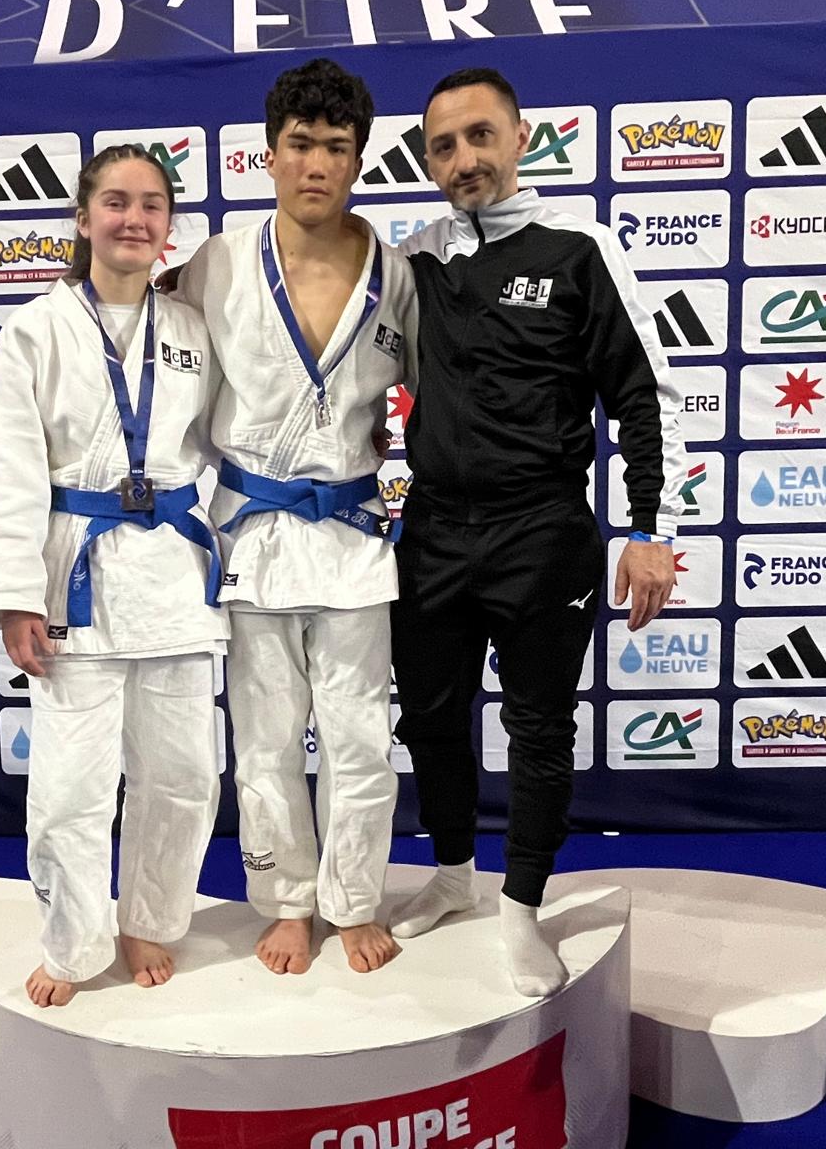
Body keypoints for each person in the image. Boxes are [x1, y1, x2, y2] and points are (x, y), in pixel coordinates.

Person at [388, 67, 685, 996]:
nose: (464, 159)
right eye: (443, 146)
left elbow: (643, 396)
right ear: (428, 161)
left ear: (521, 138)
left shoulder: (579, 246)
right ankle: (452, 875)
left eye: (481, 136)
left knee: (539, 728)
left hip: (542, 531)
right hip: (433, 529)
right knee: (430, 717)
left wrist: (650, 529)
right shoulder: (412, 261)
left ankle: (522, 906)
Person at [173, 59, 419, 975]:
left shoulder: (398, 275)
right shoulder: (217, 264)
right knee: (267, 738)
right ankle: (285, 902)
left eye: (337, 148)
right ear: (268, 155)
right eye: (301, 144)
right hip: (252, 532)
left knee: (360, 737)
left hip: (354, 534)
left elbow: (439, 396)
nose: (318, 164)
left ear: (359, 160)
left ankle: (353, 899)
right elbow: (155, 375)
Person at [0, 144, 227, 1008]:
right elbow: (10, 469)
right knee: (70, 790)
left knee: (182, 776)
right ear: (83, 220)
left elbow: (231, 436)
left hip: (174, 577)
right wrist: (14, 599)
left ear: (168, 226)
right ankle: (75, 942)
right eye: (115, 202)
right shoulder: (36, 329)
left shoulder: (191, 330)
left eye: (151, 204)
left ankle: (151, 918)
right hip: (75, 577)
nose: (133, 219)